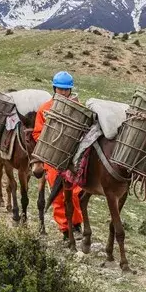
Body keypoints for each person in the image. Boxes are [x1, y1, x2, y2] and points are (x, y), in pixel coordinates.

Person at [32, 71, 84, 240]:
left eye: (66, 90)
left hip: (73, 158)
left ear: (70, 90)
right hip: (53, 158)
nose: (62, 93)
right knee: (58, 195)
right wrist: (53, 142)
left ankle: (76, 225)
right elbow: (37, 133)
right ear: (54, 88)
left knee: (75, 193)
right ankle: (65, 229)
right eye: (60, 89)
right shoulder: (44, 109)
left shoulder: (79, 109)